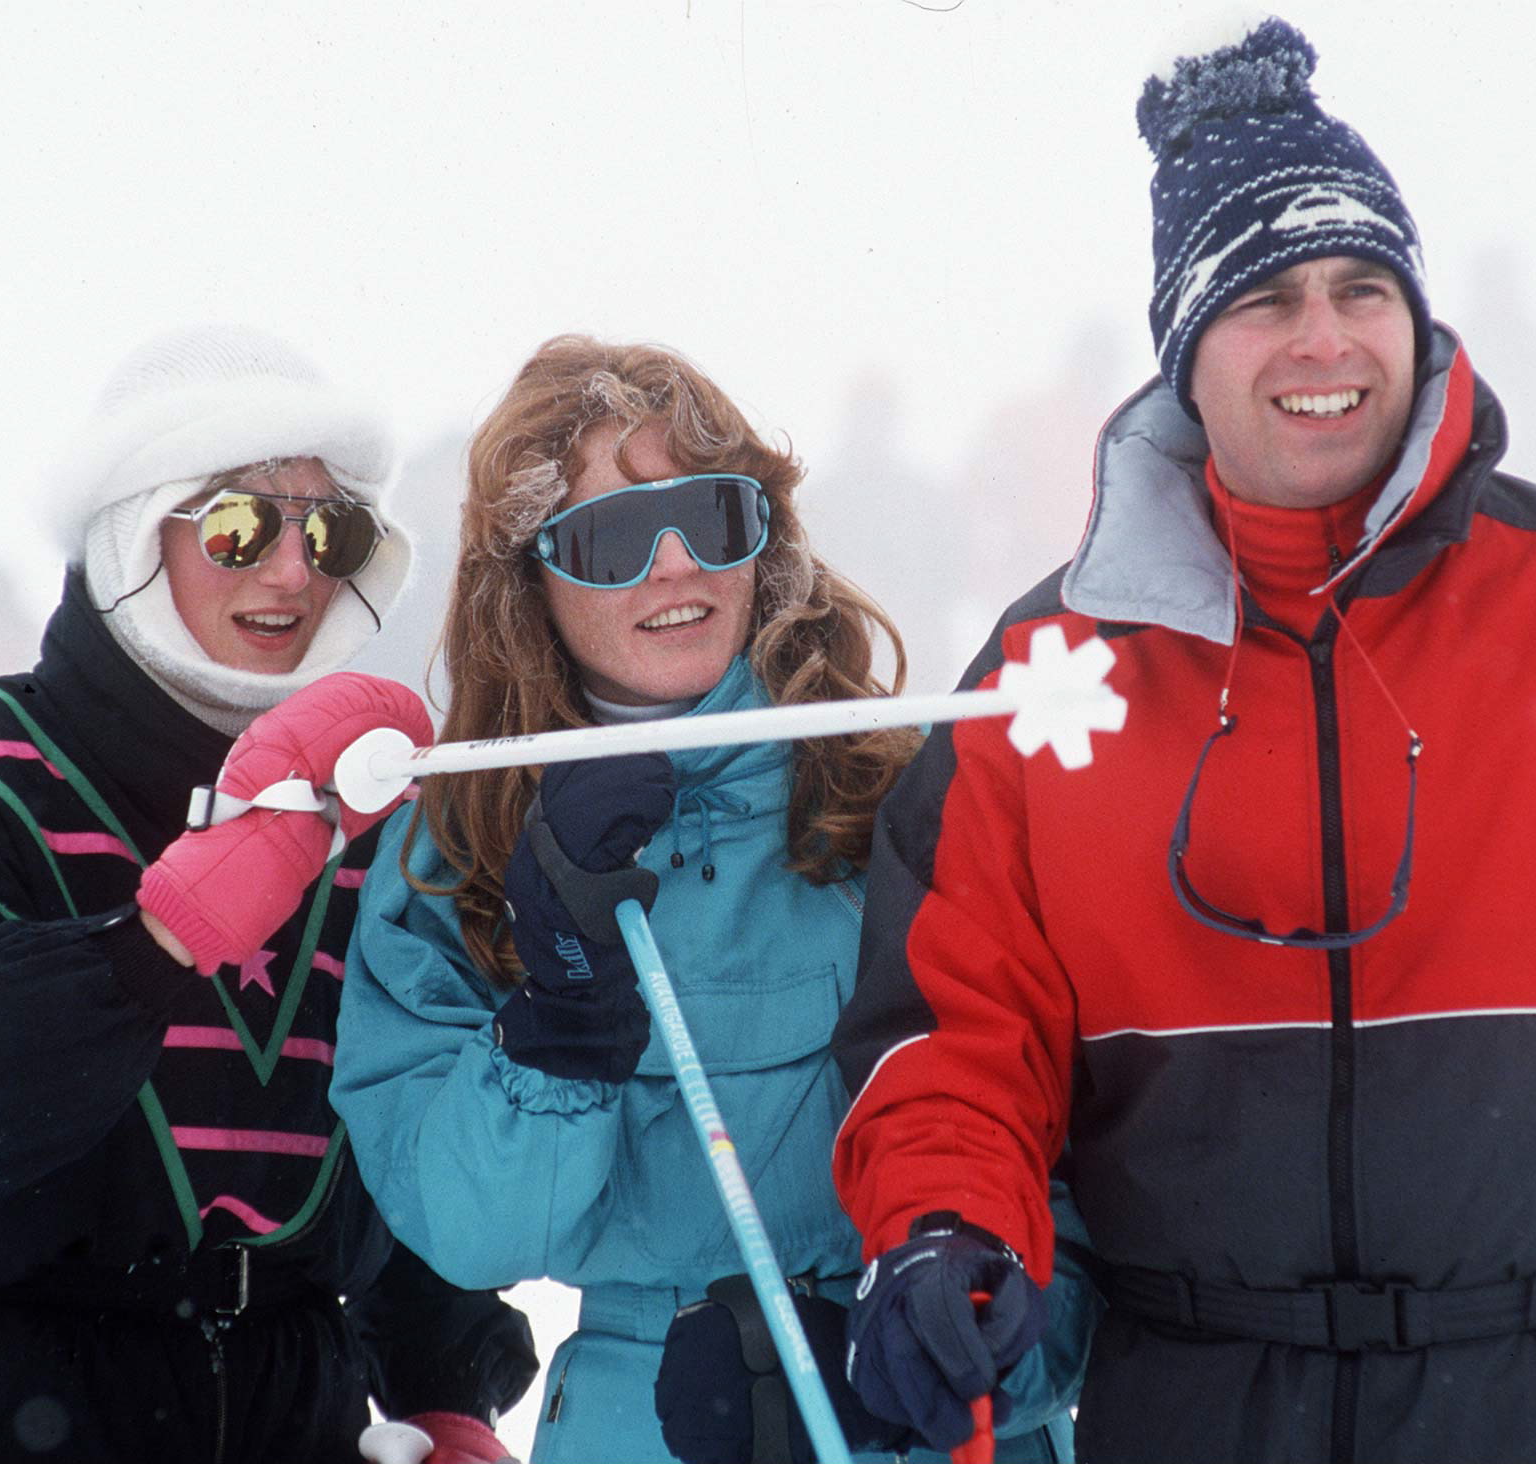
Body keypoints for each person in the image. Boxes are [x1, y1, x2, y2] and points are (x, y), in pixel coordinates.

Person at [829, 19, 1536, 1464]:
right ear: (1184, 355)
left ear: (1419, 320)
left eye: (1361, 287)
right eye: (1264, 298)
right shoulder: (1047, 676)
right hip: (1191, 1405)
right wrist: (944, 1230)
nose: (1323, 338)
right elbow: (955, 1037)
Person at [327, 335, 1096, 1464]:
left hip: (924, 1413)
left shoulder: (901, 797)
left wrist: (972, 1358)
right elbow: (469, 1234)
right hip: (644, 1419)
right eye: (616, 537)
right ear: (527, 576)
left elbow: (1078, 1185)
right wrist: (562, 1019)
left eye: (716, 519)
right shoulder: (457, 848)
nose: (677, 566)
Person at [0, 324, 537, 1464]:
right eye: (240, 526)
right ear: (125, 535)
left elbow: (409, 1139)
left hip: (302, 1398)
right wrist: (159, 935)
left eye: (331, 530)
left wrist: (447, 1393)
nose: (293, 572)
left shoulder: (381, 807)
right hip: (17, 1398)